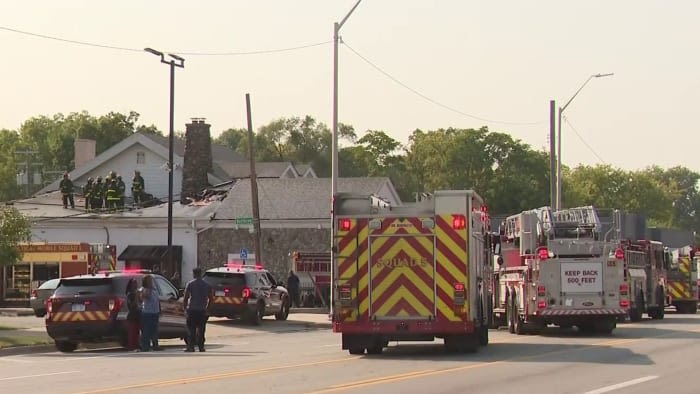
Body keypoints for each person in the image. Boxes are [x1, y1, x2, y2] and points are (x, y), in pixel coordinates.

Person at [183, 267, 214, 353]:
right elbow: (211, 299)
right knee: (201, 330)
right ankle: (201, 347)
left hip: (192, 310)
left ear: (194, 274)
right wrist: (208, 309)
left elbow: (186, 297)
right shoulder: (207, 285)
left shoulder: (190, 284)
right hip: (202, 310)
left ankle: (191, 346)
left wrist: (185, 309)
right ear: (200, 274)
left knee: (191, 330)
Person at [139, 274, 163, 351]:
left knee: (155, 330)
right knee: (146, 330)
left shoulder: (154, 289)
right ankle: (145, 346)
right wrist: (149, 288)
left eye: (151, 280)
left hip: (155, 312)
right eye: (149, 280)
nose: (151, 282)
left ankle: (155, 345)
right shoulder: (144, 289)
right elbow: (147, 296)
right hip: (147, 312)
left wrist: (159, 310)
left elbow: (157, 300)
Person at [125, 278, 141, 352]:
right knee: (132, 332)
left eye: (136, 283)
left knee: (137, 332)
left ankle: (137, 345)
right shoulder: (130, 294)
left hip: (138, 314)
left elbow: (140, 303)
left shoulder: (136, 293)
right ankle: (131, 347)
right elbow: (132, 305)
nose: (135, 284)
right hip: (132, 315)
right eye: (134, 283)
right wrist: (136, 297)